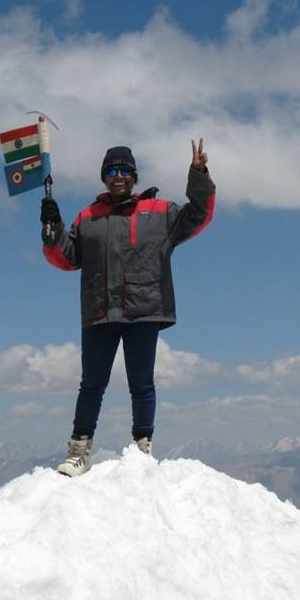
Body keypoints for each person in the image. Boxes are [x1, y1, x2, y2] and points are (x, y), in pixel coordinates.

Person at [40, 140, 215, 476]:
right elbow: (67, 258)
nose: (118, 175)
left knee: (142, 384)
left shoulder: (159, 212)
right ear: (103, 176)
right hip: (100, 311)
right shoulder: (88, 218)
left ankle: (141, 450)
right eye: (111, 170)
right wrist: (52, 230)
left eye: (124, 170)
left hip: (143, 310)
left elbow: (199, 213)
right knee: (91, 385)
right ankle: (79, 451)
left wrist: (199, 173)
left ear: (134, 176)